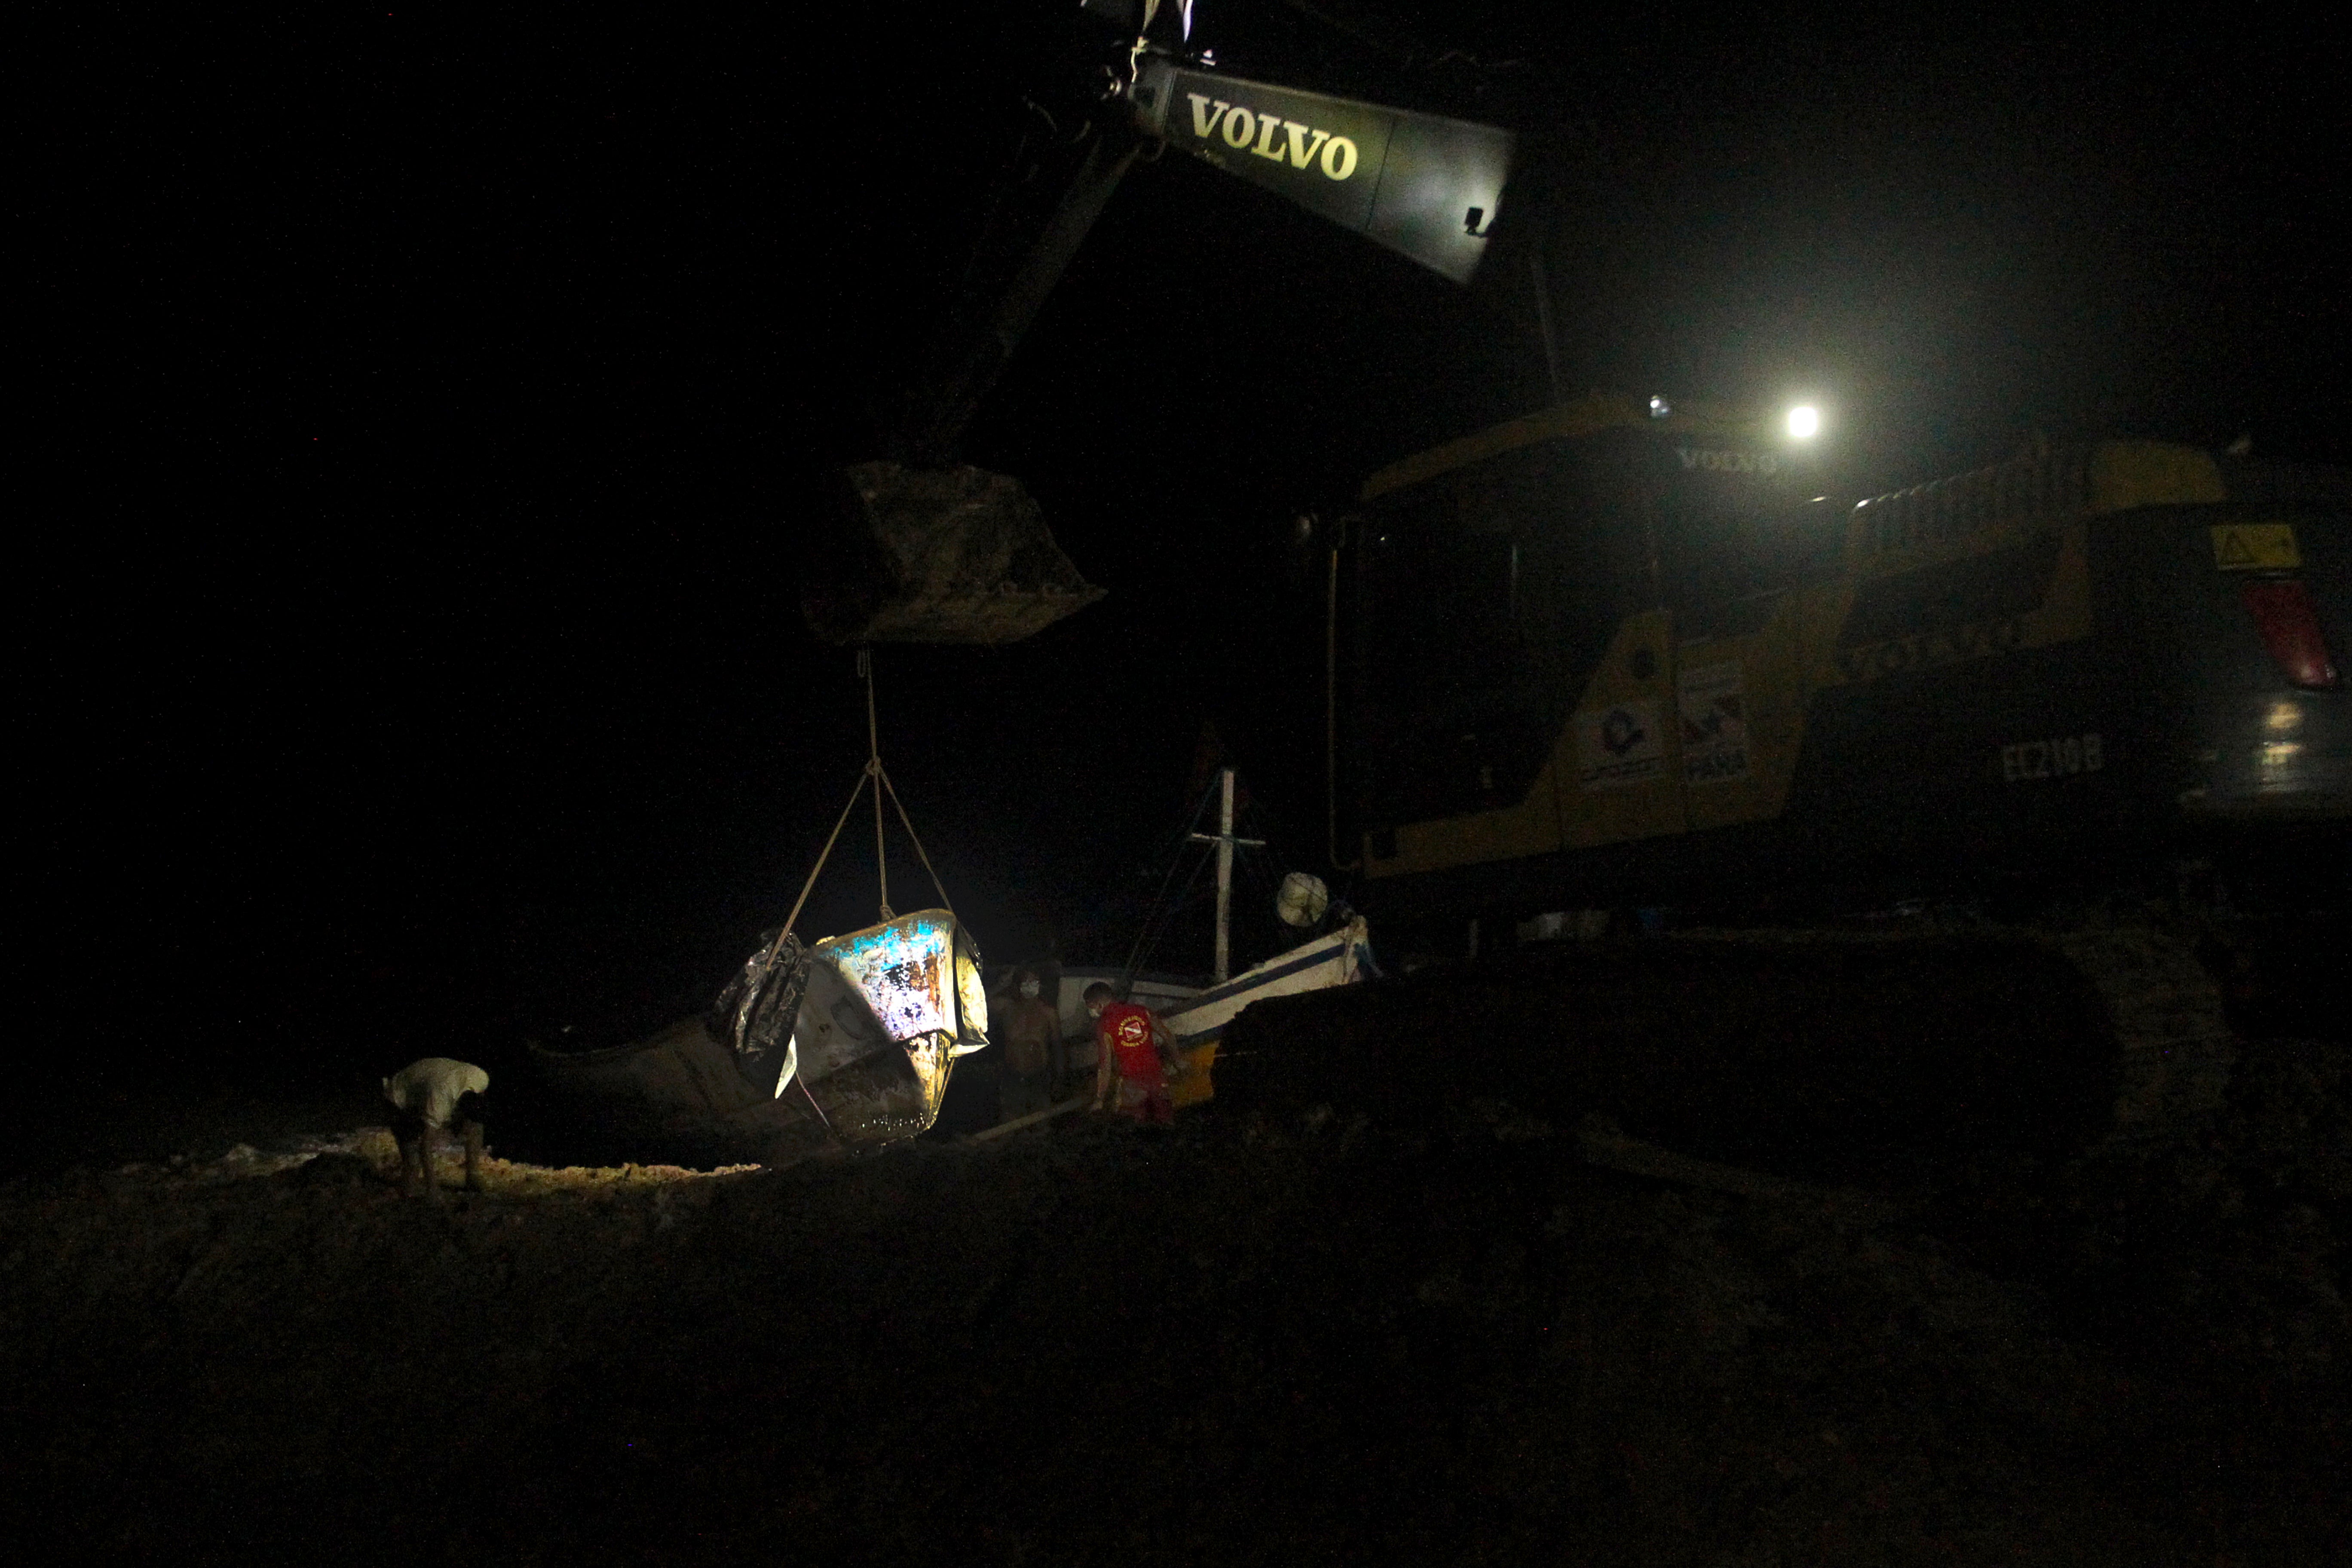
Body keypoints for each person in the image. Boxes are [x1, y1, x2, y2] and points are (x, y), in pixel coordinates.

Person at [383, 1057, 489, 1196]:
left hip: (434, 1079)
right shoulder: (440, 1101)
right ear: (458, 1113)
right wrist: (433, 1188)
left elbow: (475, 1118)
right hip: (400, 1096)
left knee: (477, 1129)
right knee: (412, 1160)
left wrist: (470, 1128)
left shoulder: (481, 1078)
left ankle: (472, 1176)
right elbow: (425, 1145)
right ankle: (405, 1198)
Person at [1086, 981, 1178, 1125]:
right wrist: (1179, 1062)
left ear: (1099, 1005)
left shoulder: (1104, 1026)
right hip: (1158, 1080)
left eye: (1090, 1007)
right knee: (1167, 1123)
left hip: (1133, 1087)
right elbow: (1168, 1037)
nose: (1091, 1012)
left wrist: (1100, 1099)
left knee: (1135, 1131)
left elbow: (1105, 1066)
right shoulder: (1142, 1011)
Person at [996, 971, 1060, 1123]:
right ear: (1018, 986)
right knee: (1010, 1121)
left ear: (1041, 985)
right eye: (1025, 982)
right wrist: (1001, 985)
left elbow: (1058, 1046)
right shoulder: (1006, 1008)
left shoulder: (1048, 1013)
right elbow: (977, 1002)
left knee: (1041, 1122)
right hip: (1012, 1076)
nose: (1029, 986)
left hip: (1039, 1077)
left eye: (1034, 982)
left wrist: (1059, 1077)